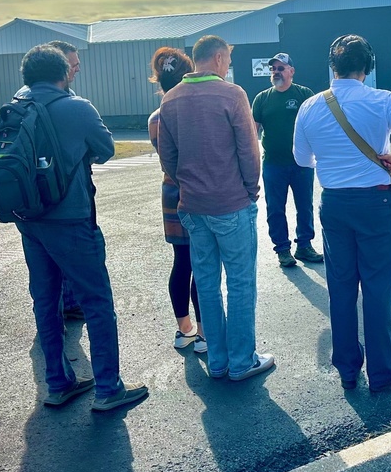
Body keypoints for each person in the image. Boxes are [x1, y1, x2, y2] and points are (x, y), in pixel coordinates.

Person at [293, 35, 391, 391]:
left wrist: (330, 162)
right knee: (378, 285)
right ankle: (382, 370)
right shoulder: (381, 99)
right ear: (367, 67)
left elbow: (301, 159)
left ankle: (346, 367)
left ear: (332, 66)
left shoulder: (309, 106)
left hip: (334, 202)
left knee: (340, 285)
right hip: (375, 201)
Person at [14, 45, 148, 411]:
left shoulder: (15, 108)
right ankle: (108, 388)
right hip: (70, 217)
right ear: (63, 73)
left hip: (29, 220)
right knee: (96, 301)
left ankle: (57, 384)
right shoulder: (77, 107)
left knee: (45, 301)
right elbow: (105, 149)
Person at [158, 35, 273, 382]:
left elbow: (168, 158)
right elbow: (249, 150)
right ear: (220, 58)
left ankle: (218, 361)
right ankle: (242, 361)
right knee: (240, 283)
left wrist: (187, 185)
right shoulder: (232, 94)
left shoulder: (171, 99)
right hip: (230, 203)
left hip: (192, 206)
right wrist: (251, 190)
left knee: (206, 283)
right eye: (229, 61)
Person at [15, 39, 84, 320]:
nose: (77, 69)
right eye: (73, 64)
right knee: (58, 260)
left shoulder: (20, 98)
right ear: (59, 65)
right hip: (55, 195)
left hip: (30, 200)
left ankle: (60, 311)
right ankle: (61, 310)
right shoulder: (61, 100)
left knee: (44, 266)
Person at [147, 47, 203, 351]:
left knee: (181, 261)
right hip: (198, 191)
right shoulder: (193, 113)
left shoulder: (155, 118)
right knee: (203, 262)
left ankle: (184, 329)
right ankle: (205, 332)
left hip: (171, 191)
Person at [251, 52, 322, 267]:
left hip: (301, 163)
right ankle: (282, 249)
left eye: (280, 68)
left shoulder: (304, 94)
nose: (276, 72)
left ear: (291, 71)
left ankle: (304, 246)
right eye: (273, 68)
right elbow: (253, 132)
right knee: (275, 208)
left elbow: (315, 126)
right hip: (273, 164)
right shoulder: (262, 98)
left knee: (305, 206)